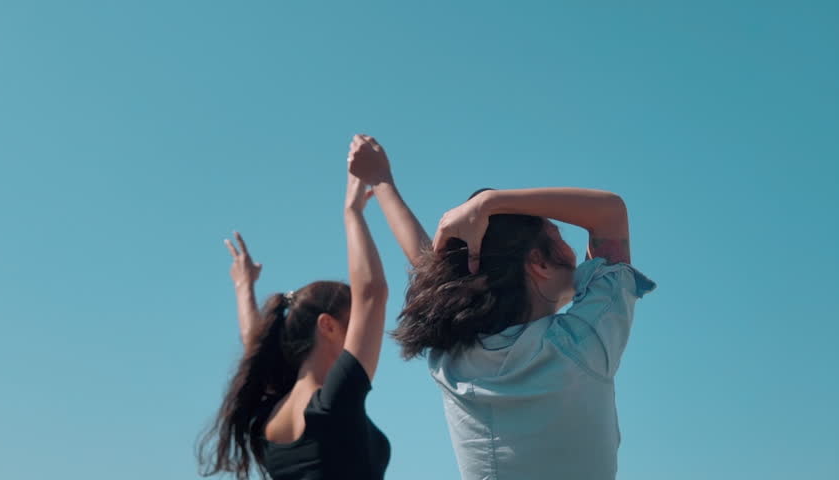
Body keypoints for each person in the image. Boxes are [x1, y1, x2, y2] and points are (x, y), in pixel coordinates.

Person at [349, 138, 656, 480]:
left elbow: (426, 266)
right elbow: (610, 213)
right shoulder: (582, 343)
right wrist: (490, 202)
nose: (573, 250)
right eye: (558, 234)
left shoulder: (455, 359)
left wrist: (383, 182)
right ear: (538, 261)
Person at [198, 138, 391, 480]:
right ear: (327, 326)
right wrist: (352, 212)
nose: (362, 326)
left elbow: (253, 344)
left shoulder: (271, 411)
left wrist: (245, 287)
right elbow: (372, 294)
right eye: (352, 318)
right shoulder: (333, 403)